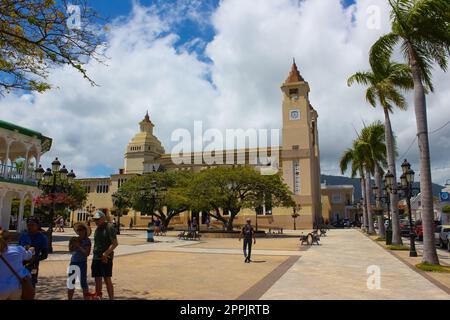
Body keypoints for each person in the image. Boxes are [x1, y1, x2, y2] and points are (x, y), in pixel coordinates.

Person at [91, 211, 118, 300]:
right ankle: (98, 297)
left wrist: (106, 253)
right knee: (97, 280)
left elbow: (115, 243)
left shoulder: (109, 227)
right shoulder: (97, 229)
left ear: (103, 219)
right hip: (96, 257)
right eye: (95, 220)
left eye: (98, 219)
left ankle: (111, 298)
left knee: (107, 279)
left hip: (106, 258)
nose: (96, 221)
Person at [0, 230, 34, 300]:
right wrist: (31, 249)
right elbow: (28, 256)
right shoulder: (18, 249)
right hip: (16, 287)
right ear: (9, 239)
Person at [18, 217, 48, 287]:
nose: (29, 227)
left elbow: (45, 255)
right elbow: (18, 249)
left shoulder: (43, 238)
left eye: (32, 225)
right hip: (20, 265)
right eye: (28, 225)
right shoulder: (23, 235)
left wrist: (34, 259)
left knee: (31, 285)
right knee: (19, 285)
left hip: (33, 266)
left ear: (37, 226)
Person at [68, 222, 92, 300]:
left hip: (82, 263)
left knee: (83, 282)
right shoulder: (75, 239)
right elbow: (70, 250)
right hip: (73, 262)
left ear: (85, 231)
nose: (79, 231)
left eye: (81, 230)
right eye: (78, 230)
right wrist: (72, 245)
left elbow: (86, 254)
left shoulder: (87, 241)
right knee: (71, 282)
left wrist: (79, 246)